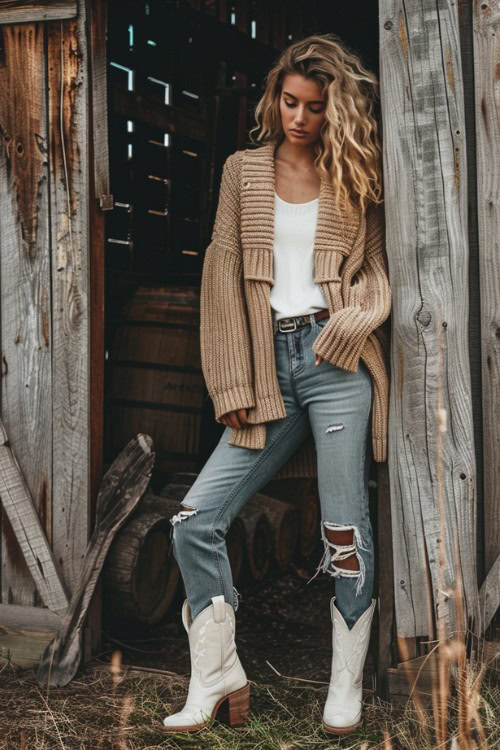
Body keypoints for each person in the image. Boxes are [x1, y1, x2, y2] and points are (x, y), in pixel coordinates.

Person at [159, 33, 392, 736]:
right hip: (266, 367)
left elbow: (377, 271)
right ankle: (219, 672)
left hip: (336, 365)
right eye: (288, 101)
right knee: (194, 521)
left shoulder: (354, 174)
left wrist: (356, 319)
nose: (298, 117)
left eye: (314, 107)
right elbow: (223, 279)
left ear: (335, 110)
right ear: (274, 99)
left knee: (343, 530)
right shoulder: (243, 172)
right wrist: (229, 380)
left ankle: (343, 684)